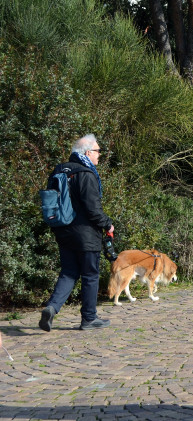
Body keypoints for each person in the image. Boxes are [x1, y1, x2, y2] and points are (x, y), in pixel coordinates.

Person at [39, 134, 114, 331]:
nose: (99, 155)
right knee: (90, 274)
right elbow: (93, 209)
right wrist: (108, 224)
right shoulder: (86, 174)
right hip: (86, 234)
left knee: (69, 272)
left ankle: (52, 307)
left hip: (63, 230)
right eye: (97, 151)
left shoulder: (58, 171)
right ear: (87, 153)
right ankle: (89, 318)